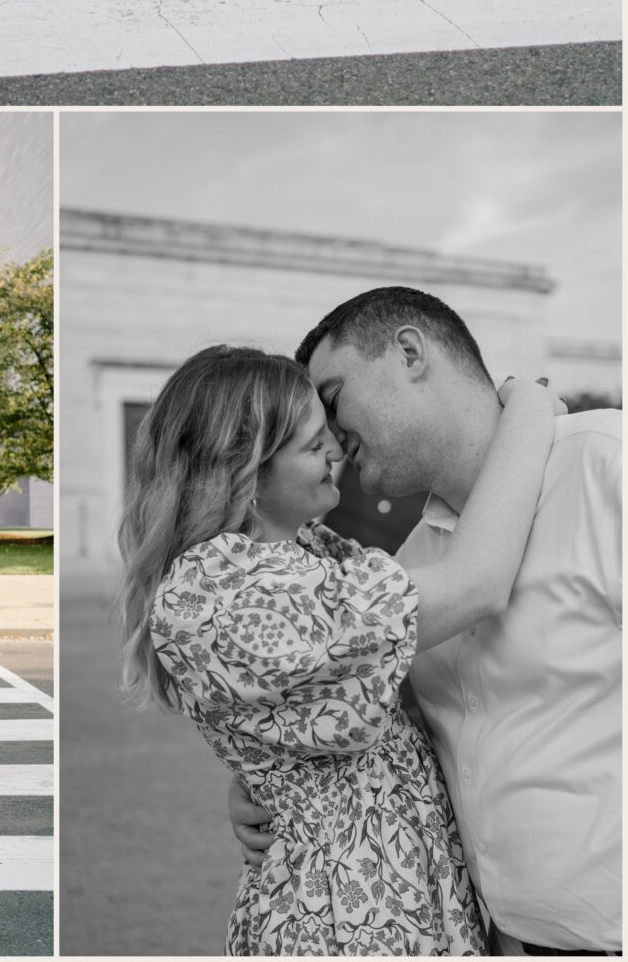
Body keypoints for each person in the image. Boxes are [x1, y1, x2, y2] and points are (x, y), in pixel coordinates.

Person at [119, 341, 558, 956]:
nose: (336, 449)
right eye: (311, 443)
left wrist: (270, 780)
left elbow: (363, 706)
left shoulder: (308, 555)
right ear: (245, 470)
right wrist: (530, 409)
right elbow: (475, 582)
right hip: (344, 912)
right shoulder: (221, 589)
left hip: (392, 887)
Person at [230, 289, 623, 957]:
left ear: (409, 352)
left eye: (331, 397)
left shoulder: (604, 465)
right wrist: (260, 783)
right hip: (503, 939)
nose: (326, 438)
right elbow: (374, 726)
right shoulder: (414, 561)